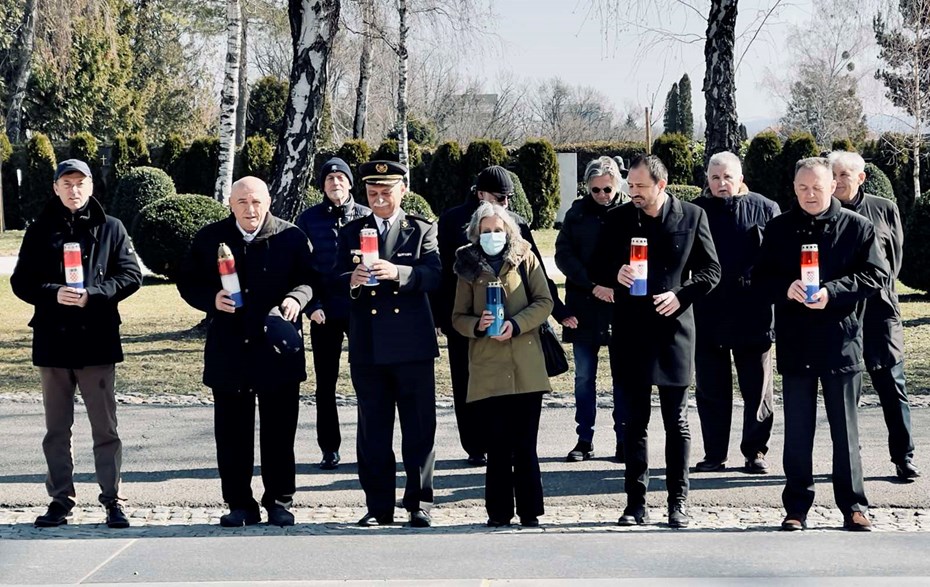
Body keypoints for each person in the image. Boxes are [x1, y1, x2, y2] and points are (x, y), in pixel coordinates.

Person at [753, 157, 888, 532]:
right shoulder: (778, 229)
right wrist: (785, 288)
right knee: (797, 433)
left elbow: (875, 275)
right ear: (793, 188)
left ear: (833, 186)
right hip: (796, 344)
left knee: (846, 433)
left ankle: (854, 505)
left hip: (841, 341)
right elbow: (759, 279)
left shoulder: (858, 228)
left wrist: (833, 291)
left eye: (816, 187)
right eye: (802, 188)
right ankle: (796, 506)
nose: (809, 195)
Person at [177, 176, 315, 528]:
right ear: (230, 204)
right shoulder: (210, 238)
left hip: (277, 349)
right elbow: (187, 281)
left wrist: (294, 299)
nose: (250, 210)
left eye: (256, 202)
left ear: (267, 202)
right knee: (232, 434)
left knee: (279, 433)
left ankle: (279, 502)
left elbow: (310, 279)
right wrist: (211, 299)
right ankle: (240, 504)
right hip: (230, 349)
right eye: (242, 203)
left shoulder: (292, 236)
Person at [11, 159, 142, 528]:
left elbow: (131, 276)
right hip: (53, 341)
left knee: (105, 428)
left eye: (80, 182)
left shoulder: (111, 228)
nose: (74, 189)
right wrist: (54, 293)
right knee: (56, 429)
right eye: (66, 183)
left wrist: (94, 295)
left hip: (97, 340)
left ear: (91, 187)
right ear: (56, 188)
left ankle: (113, 499)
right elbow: (21, 282)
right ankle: (60, 500)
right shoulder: (39, 230)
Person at [593, 154, 720, 529]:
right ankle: (636, 503)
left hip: (674, 331)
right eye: (629, 186)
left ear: (660, 185)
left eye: (640, 187)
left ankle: (677, 502)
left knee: (676, 421)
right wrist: (615, 272)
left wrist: (682, 294)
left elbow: (712, 271)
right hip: (631, 331)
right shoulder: (617, 219)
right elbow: (596, 265)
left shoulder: (692, 216)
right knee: (634, 422)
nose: (632, 192)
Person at [434, 165, 569, 467]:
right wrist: (441, 318)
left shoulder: (516, 223)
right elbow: (442, 273)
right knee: (465, 380)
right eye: (499, 197)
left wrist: (558, 311)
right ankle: (474, 443)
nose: (506, 203)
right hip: (464, 316)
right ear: (481, 194)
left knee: (513, 386)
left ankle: (505, 444)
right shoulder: (452, 220)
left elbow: (539, 278)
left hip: (513, 319)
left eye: (508, 198)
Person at [337, 160, 441, 528]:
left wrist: (399, 273)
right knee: (373, 430)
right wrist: (352, 279)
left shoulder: (421, 229)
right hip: (369, 344)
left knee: (418, 427)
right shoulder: (352, 231)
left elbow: (435, 274)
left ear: (403, 190)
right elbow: (334, 280)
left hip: (411, 343)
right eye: (372, 193)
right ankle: (378, 505)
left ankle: (419, 503)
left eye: (386, 192)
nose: (379, 199)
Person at [452, 202, 554, 527]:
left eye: (497, 230)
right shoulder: (467, 265)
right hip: (488, 366)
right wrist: (478, 325)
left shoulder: (525, 256)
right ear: (476, 233)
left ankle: (530, 511)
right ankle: (498, 512)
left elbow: (545, 301)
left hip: (526, 365)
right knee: (496, 445)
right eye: (486, 231)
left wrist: (517, 323)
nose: (492, 235)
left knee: (525, 445)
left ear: (507, 230)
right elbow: (457, 317)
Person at [829, 150, 920, 480]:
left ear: (860, 178)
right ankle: (850, 460)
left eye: (843, 175)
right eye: (832, 175)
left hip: (880, 313)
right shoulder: (825, 213)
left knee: (892, 387)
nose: (836, 181)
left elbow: (893, 260)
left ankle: (904, 456)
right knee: (844, 395)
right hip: (841, 316)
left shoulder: (884, 208)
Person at [691, 151, 780, 474]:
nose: (721, 183)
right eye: (715, 178)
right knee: (711, 391)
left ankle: (755, 452)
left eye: (728, 177)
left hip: (753, 314)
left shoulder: (766, 209)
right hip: (708, 314)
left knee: (757, 390)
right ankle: (714, 454)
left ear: (740, 179)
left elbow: (778, 261)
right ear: (708, 180)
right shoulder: (696, 212)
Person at [296, 157, 371, 471]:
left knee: (367, 381)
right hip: (323, 312)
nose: (335, 183)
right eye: (329, 179)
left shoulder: (367, 217)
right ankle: (330, 449)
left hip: (361, 311)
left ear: (350, 183)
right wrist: (312, 307)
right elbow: (300, 268)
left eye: (341, 178)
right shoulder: (308, 220)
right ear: (322, 185)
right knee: (325, 384)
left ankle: (370, 446)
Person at [555, 156, 627, 462]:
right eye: (595, 190)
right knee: (584, 376)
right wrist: (591, 283)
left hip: (619, 305)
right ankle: (584, 438)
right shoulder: (577, 212)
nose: (602, 195)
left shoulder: (628, 211)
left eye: (607, 189)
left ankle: (625, 438)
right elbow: (563, 254)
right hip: (584, 303)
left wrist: (613, 286)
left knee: (623, 377)